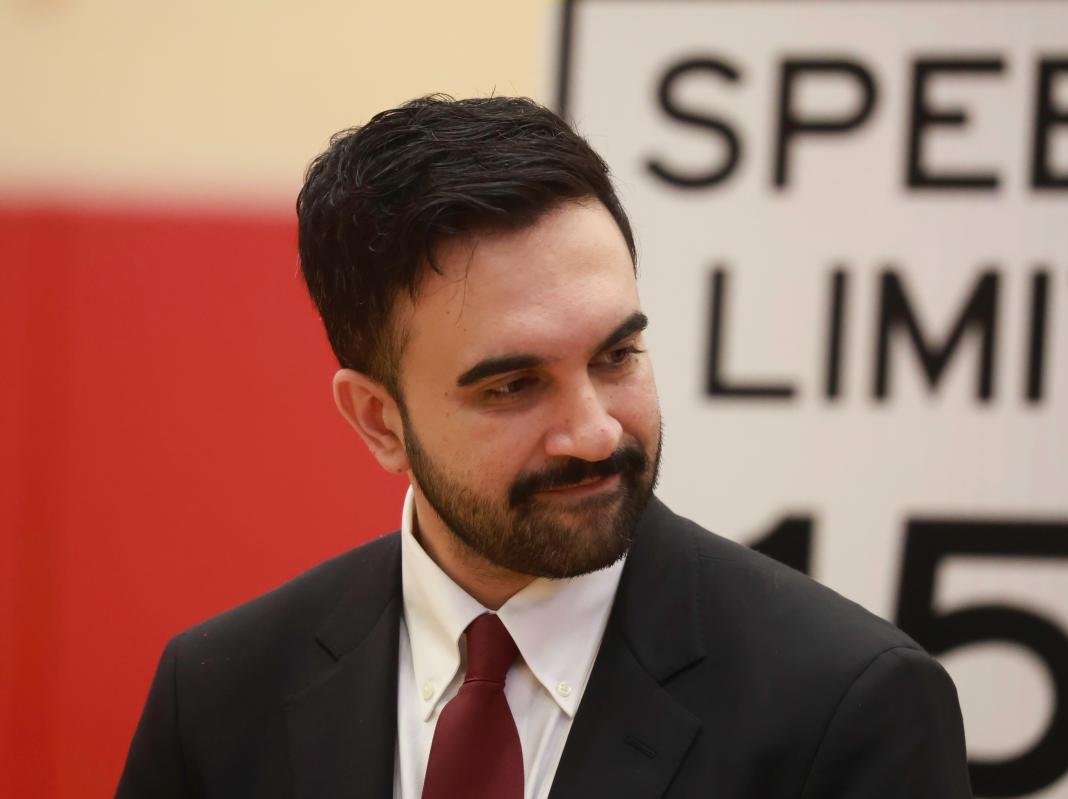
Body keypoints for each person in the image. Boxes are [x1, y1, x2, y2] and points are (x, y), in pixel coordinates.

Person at [117, 95, 972, 799]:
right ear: (378, 419)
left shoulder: (849, 707)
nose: (596, 431)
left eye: (616, 355)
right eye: (514, 385)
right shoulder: (220, 696)